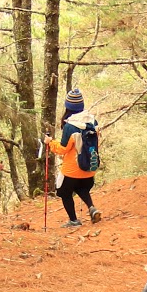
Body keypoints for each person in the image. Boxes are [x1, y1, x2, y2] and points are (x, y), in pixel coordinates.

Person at [47, 88, 102, 227]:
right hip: (90, 167)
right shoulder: (93, 121)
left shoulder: (70, 126)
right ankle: (92, 208)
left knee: (64, 192)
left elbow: (62, 149)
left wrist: (50, 143)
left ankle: (73, 220)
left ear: (68, 107)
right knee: (82, 188)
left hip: (72, 170)